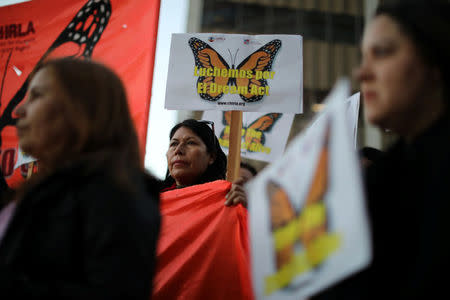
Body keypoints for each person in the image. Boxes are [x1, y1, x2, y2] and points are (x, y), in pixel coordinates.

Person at [313, 0, 450, 299]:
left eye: (383, 52)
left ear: (436, 60)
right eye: (364, 57)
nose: (363, 73)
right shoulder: (387, 181)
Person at [0, 58, 161, 299]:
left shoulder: (116, 195)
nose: (18, 111)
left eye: (36, 96)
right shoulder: (40, 190)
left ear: (80, 110)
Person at [161, 118, 248, 206]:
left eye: (190, 143)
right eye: (174, 144)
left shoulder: (227, 199)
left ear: (211, 157)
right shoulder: (152, 201)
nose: (178, 150)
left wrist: (247, 209)